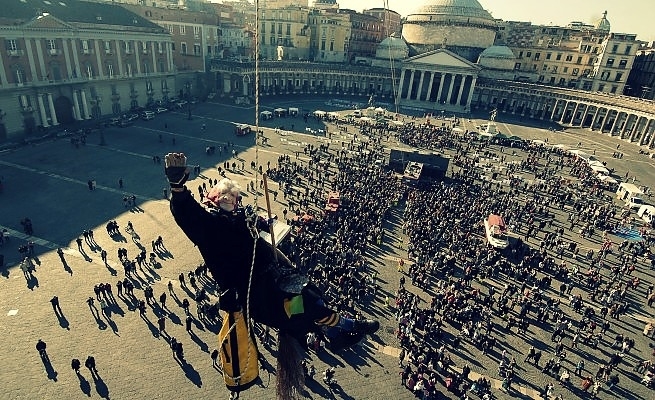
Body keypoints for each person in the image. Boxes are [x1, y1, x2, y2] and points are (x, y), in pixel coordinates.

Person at [165, 153, 379, 393]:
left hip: (273, 280)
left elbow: (254, 224)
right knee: (302, 304)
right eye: (226, 197)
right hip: (256, 293)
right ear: (214, 200)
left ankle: (334, 332)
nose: (232, 200)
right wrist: (178, 188)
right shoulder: (212, 227)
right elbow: (189, 216)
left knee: (310, 295)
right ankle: (345, 325)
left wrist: (264, 222)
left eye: (234, 197)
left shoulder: (238, 218)